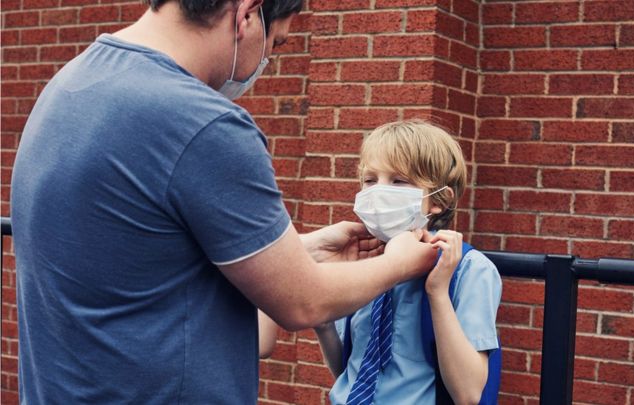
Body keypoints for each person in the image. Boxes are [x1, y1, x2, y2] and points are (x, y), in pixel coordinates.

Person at [9, 0, 438, 403]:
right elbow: (302, 302)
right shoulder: (201, 122)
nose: (265, 62)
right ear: (247, 14)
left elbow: (135, 255)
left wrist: (299, 250)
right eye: (276, 43)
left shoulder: (72, 83)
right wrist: (402, 261)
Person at [314, 120, 502, 405]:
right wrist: (324, 323)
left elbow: (468, 394)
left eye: (398, 181)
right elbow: (349, 370)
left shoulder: (469, 269)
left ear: (438, 199)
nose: (379, 191)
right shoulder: (365, 260)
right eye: (370, 179)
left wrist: (437, 292)